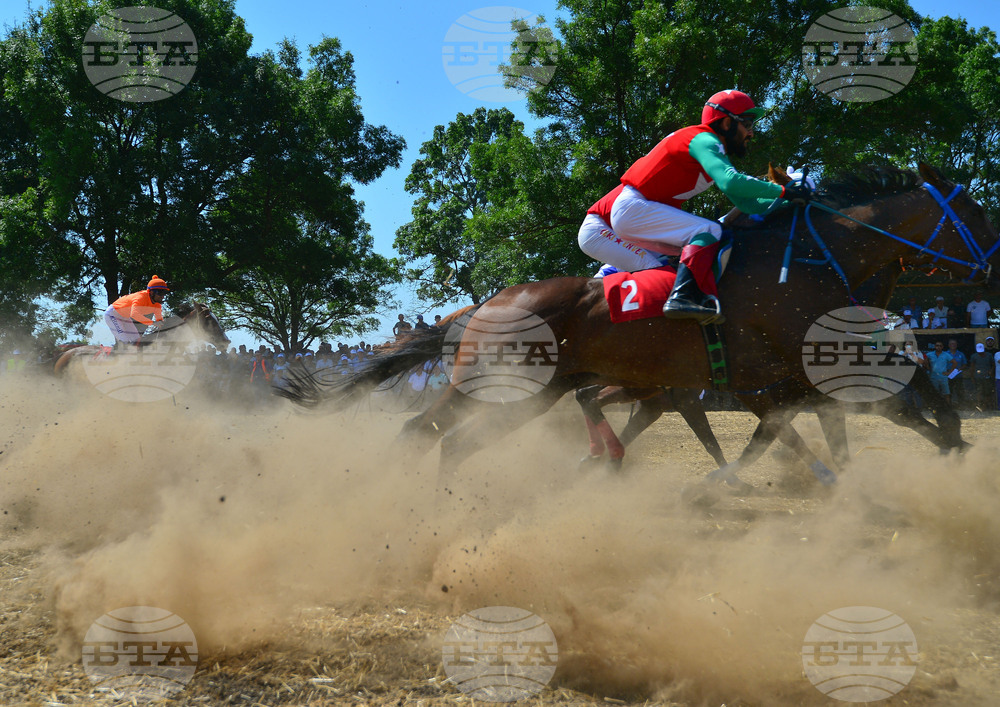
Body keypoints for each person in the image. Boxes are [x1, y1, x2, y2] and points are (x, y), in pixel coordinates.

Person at [582, 90, 811, 324]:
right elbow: (731, 181)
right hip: (630, 211)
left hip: (633, 211)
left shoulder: (711, 149)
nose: (751, 133)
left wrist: (790, 201)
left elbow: (746, 203)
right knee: (708, 232)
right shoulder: (705, 140)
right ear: (726, 122)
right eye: (748, 123)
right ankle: (680, 300)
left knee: (694, 252)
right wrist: (783, 190)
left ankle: (681, 302)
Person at [104, 275, 170, 345]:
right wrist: (153, 323)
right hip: (113, 315)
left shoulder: (157, 305)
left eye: (164, 293)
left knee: (137, 341)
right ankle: (112, 356)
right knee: (124, 341)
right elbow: (134, 314)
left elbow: (159, 321)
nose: (162, 297)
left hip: (125, 317)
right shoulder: (140, 298)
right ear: (151, 292)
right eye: (160, 293)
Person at [969, 342, 995, 412]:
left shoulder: (989, 355)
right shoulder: (974, 356)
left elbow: (993, 365)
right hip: (978, 377)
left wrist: (991, 371)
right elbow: (972, 367)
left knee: (988, 392)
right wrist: (972, 377)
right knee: (979, 392)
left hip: (987, 377)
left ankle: (986, 405)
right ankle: (980, 405)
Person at [946, 338, 968, 407]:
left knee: (960, 392)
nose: (953, 345)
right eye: (951, 344)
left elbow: (965, 364)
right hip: (948, 376)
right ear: (949, 345)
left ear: (957, 345)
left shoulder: (961, 354)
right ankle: (948, 406)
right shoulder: (945, 354)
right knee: (949, 392)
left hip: (958, 376)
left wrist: (960, 369)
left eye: (954, 344)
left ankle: (961, 406)